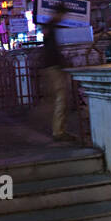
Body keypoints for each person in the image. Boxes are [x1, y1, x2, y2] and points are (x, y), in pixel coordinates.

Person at [39, 13, 72, 141]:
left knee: (59, 97)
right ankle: (58, 131)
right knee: (61, 97)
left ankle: (59, 129)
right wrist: (61, 61)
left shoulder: (49, 26)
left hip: (50, 65)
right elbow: (52, 49)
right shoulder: (52, 26)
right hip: (54, 66)